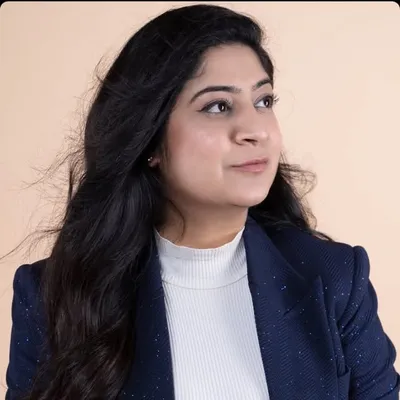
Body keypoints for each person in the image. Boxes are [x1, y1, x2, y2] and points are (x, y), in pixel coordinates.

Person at [5, 3, 399, 400]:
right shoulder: (54, 298)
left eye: (263, 101)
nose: (255, 130)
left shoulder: (334, 280)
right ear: (150, 140)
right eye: (218, 106)